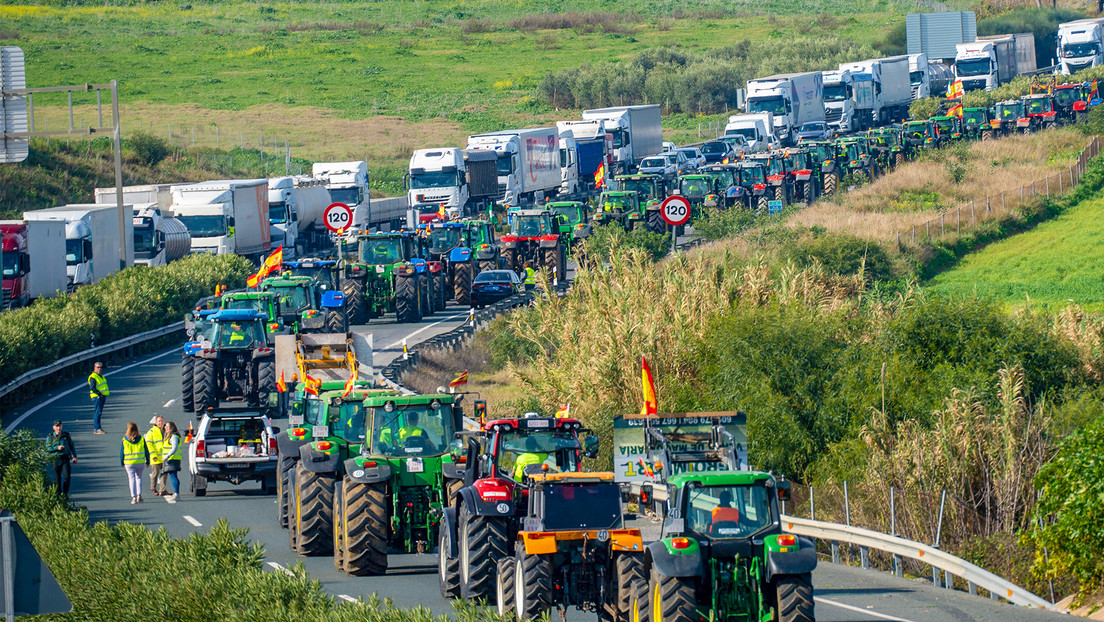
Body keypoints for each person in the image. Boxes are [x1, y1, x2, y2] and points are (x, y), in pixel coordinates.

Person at [120, 422, 150, 504]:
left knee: (131, 478)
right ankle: (139, 495)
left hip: (129, 462)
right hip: (140, 461)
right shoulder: (141, 439)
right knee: (139, 477)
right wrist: (148, 460)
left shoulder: (125, 440)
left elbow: (122, 452)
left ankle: (133, 497)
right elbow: (146, 450)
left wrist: (122, 462)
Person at [46, 420, 77, 495]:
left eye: (60, 426)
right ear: (53, 427)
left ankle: (65, 493)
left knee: (67, 477)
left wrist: (74, 456)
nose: (59, 428)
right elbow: (48, 448)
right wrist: (57, 448)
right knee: (57, 479)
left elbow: (71, 445)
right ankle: (58, 494)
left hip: (65, 458)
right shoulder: (50, 437)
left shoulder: (66, 435)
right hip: (56, 459)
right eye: (57, 426)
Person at [160, 421, 183, 504]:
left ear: (172, 428)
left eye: (167, 427)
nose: (166, 428)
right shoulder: (170, 436)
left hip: (172, 459)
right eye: (165, 427)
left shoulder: (174, 437)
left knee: (173, 476)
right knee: (173, 475)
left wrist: (166, 457)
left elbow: (174, 448)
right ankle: (176, 493)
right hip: (171, 459)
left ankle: (177, 493)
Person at [144, 415, 166, 496]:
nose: (161, 423)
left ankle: (162, 489)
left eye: (162, 421)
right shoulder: (152, 432)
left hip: (164, 457)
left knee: (165, 473)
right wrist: (153, 454)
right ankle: (153, 488)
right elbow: (149, 444)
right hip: (156, 457)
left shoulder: (166, 431)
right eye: (159, 421)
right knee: (155, 473)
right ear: (156, 422)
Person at [88, 361, 109, 434]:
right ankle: (97, 429)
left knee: (99, 412)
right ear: (94, 368)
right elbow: (92, 387)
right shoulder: (93, 377)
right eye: (98, 367)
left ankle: (98, 428)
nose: (99, 369)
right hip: (97, 397)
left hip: (101, 396)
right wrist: (99, 394)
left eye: (100, 367)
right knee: (98, 412)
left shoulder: (101, 376)